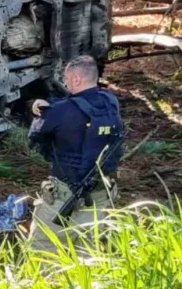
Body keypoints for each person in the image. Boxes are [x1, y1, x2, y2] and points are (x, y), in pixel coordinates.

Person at [27, 54, 124, 253]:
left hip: (63, 197)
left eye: (67, 78)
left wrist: (39, 111)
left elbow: (35, 135)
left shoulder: (60, 109)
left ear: (77, 79)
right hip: (100, 196)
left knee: (42, 252)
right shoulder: (110, 102)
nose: (66, 83)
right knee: (91, 256)